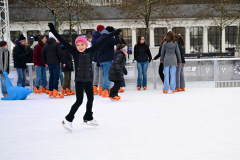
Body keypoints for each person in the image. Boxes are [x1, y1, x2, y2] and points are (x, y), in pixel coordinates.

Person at [48, 23, 122, 132]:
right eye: (78, 45)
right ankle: (68, 119)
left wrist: (115, 32)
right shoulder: (74, 51)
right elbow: (61, 40)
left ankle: (88, 117)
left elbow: (104, 40)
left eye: (82, 45)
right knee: (79, 101)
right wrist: (53, 30)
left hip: (88, 80)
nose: (80, 47)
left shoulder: (91, 51)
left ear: (86, 44)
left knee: (91, 99)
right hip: (79, 81)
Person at [97, 27, 120, 98]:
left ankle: (104, 89)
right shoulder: (108, 38)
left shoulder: (99, 38)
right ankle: (105, 90)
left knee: (104, 75)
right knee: (107, 75)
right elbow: (117, 41)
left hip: (101, 60)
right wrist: (116, 34)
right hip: (107, 59)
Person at [41, 32, 66, 98]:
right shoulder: (56, 44)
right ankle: (55, 91)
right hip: (56, 63)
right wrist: (62, 62)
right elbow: (60, 54)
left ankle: (51, 91)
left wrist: (45, 62)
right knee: (56, 77)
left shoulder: (46, 45)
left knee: (51, 76)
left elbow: (42, 54)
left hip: (49, 63)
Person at [92, 25, 104, 96]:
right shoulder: (100, 38)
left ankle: (94, 88)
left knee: (96, 73)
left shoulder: (94, 37)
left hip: (95, 58)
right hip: (100, 57)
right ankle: (100, 88)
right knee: (101, 73)